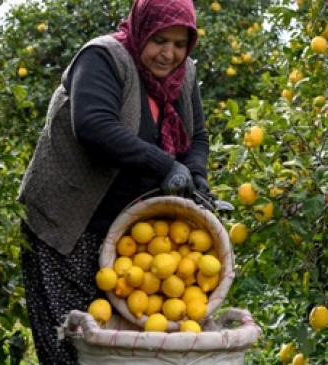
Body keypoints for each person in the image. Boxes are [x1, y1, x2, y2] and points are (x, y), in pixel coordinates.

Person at [17, 0, 210, 363]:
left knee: (124, 346)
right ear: (142, 30)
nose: (169, 54)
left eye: (180, 44)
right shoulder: (103, 58)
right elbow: (94, 126)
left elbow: (197, 137)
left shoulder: (185, 76)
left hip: (131, 238)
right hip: (68, 224)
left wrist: (196, 175)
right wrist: (165, 165)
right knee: (71, 345)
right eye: (159, 40)